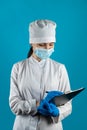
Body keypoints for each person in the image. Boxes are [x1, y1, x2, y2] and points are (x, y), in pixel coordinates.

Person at [9, 19, 72, 130]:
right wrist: (37, 104)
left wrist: (57, 111)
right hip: (23, 126)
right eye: (42, 45)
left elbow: (68, 105)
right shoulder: (18, 68)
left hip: (51, 126)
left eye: (51, 44)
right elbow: (14, 104)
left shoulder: (59, 68)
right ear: (32, 43)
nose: (47, 48)